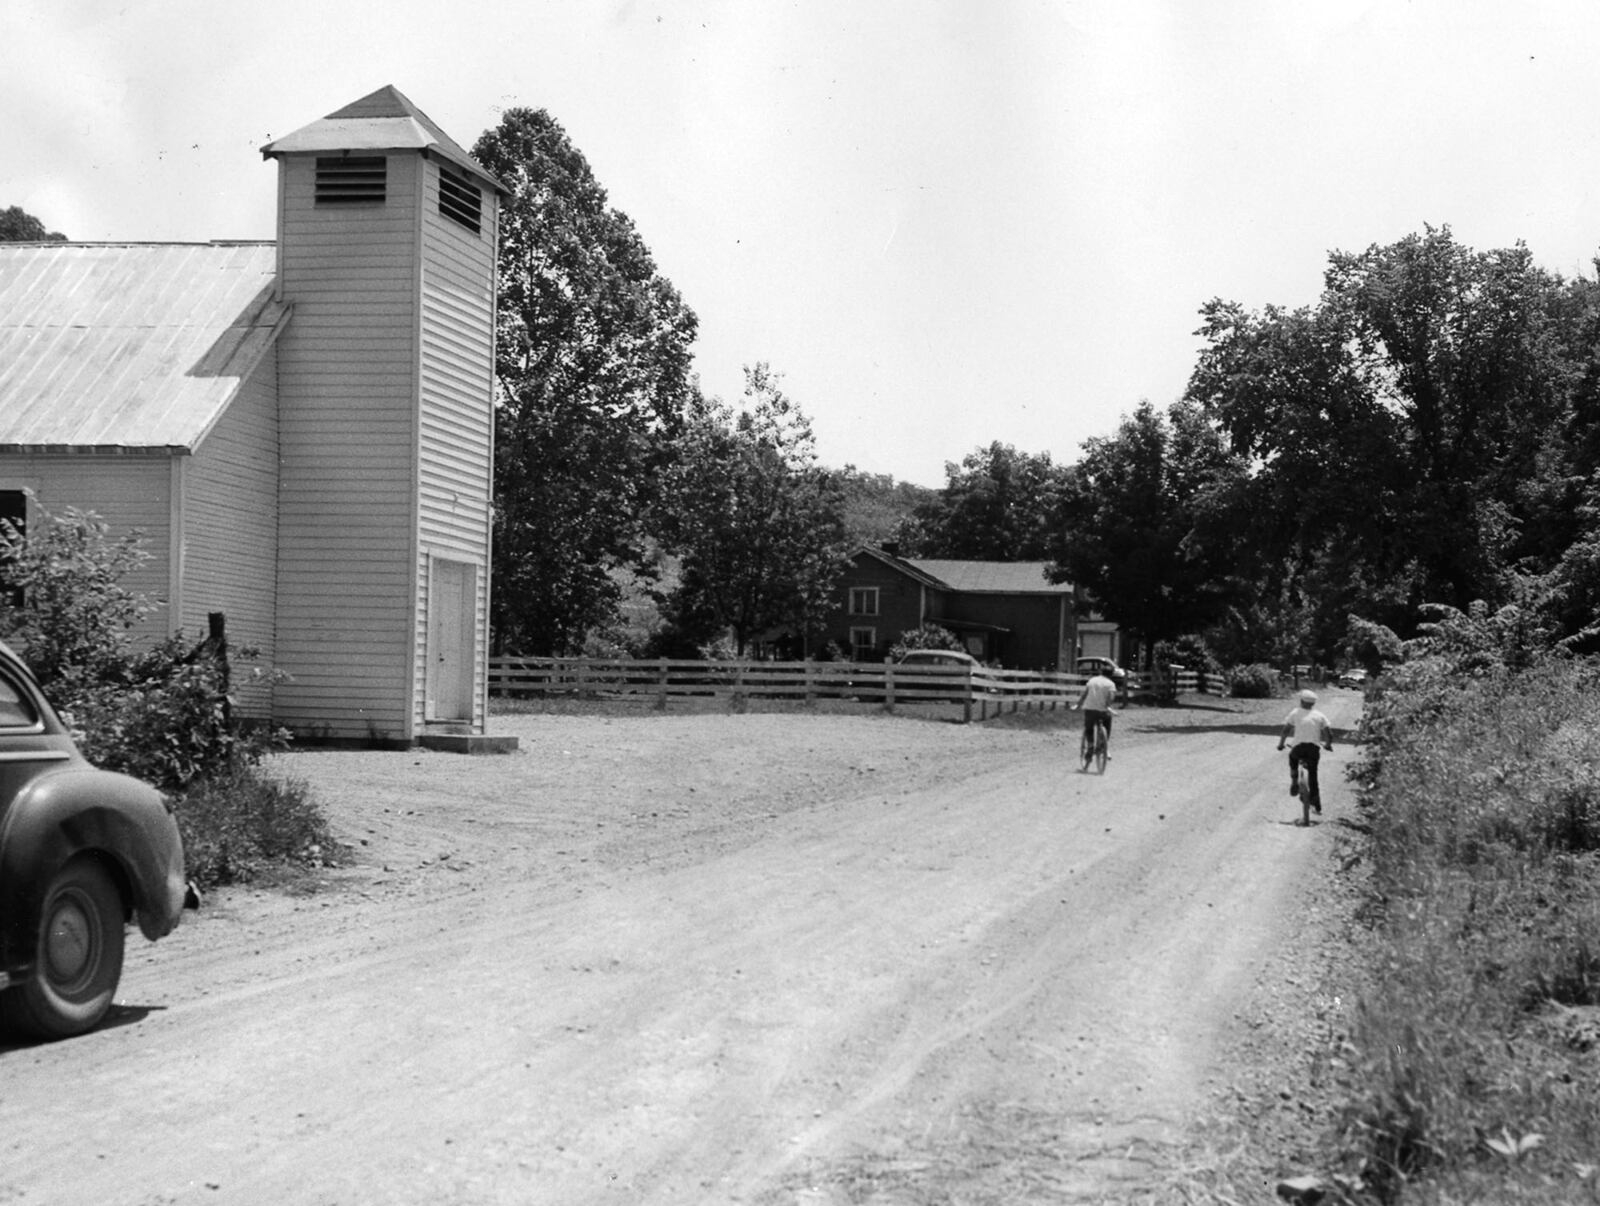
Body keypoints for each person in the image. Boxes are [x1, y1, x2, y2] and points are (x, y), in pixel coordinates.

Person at [1278, 688, 1334, 813]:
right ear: (1313, 703)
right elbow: (1329, 734)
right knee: (1313, 775)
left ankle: (1294, 780)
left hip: (1298, 747)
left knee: (1293, 758)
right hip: (1313, 749)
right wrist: (1328, 745)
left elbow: (1286, 730)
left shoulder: (1295, 712)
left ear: (1302, 701)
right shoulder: (1320, 715)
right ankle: (1316, 804)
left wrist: (1281, 744)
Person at [1074, 670, 1118, 759]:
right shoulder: (1110, 684)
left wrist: (1078, 705)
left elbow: (1085, 694)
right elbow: (1111, 697)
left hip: (1090, 709)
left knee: (1089, 727)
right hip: (1102, 710)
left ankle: (1090, 746)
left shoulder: (1092, 680)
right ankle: (1103, 746)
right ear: (1111, 675)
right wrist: (1108, 706)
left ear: (1101, 672)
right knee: (1107, 723)